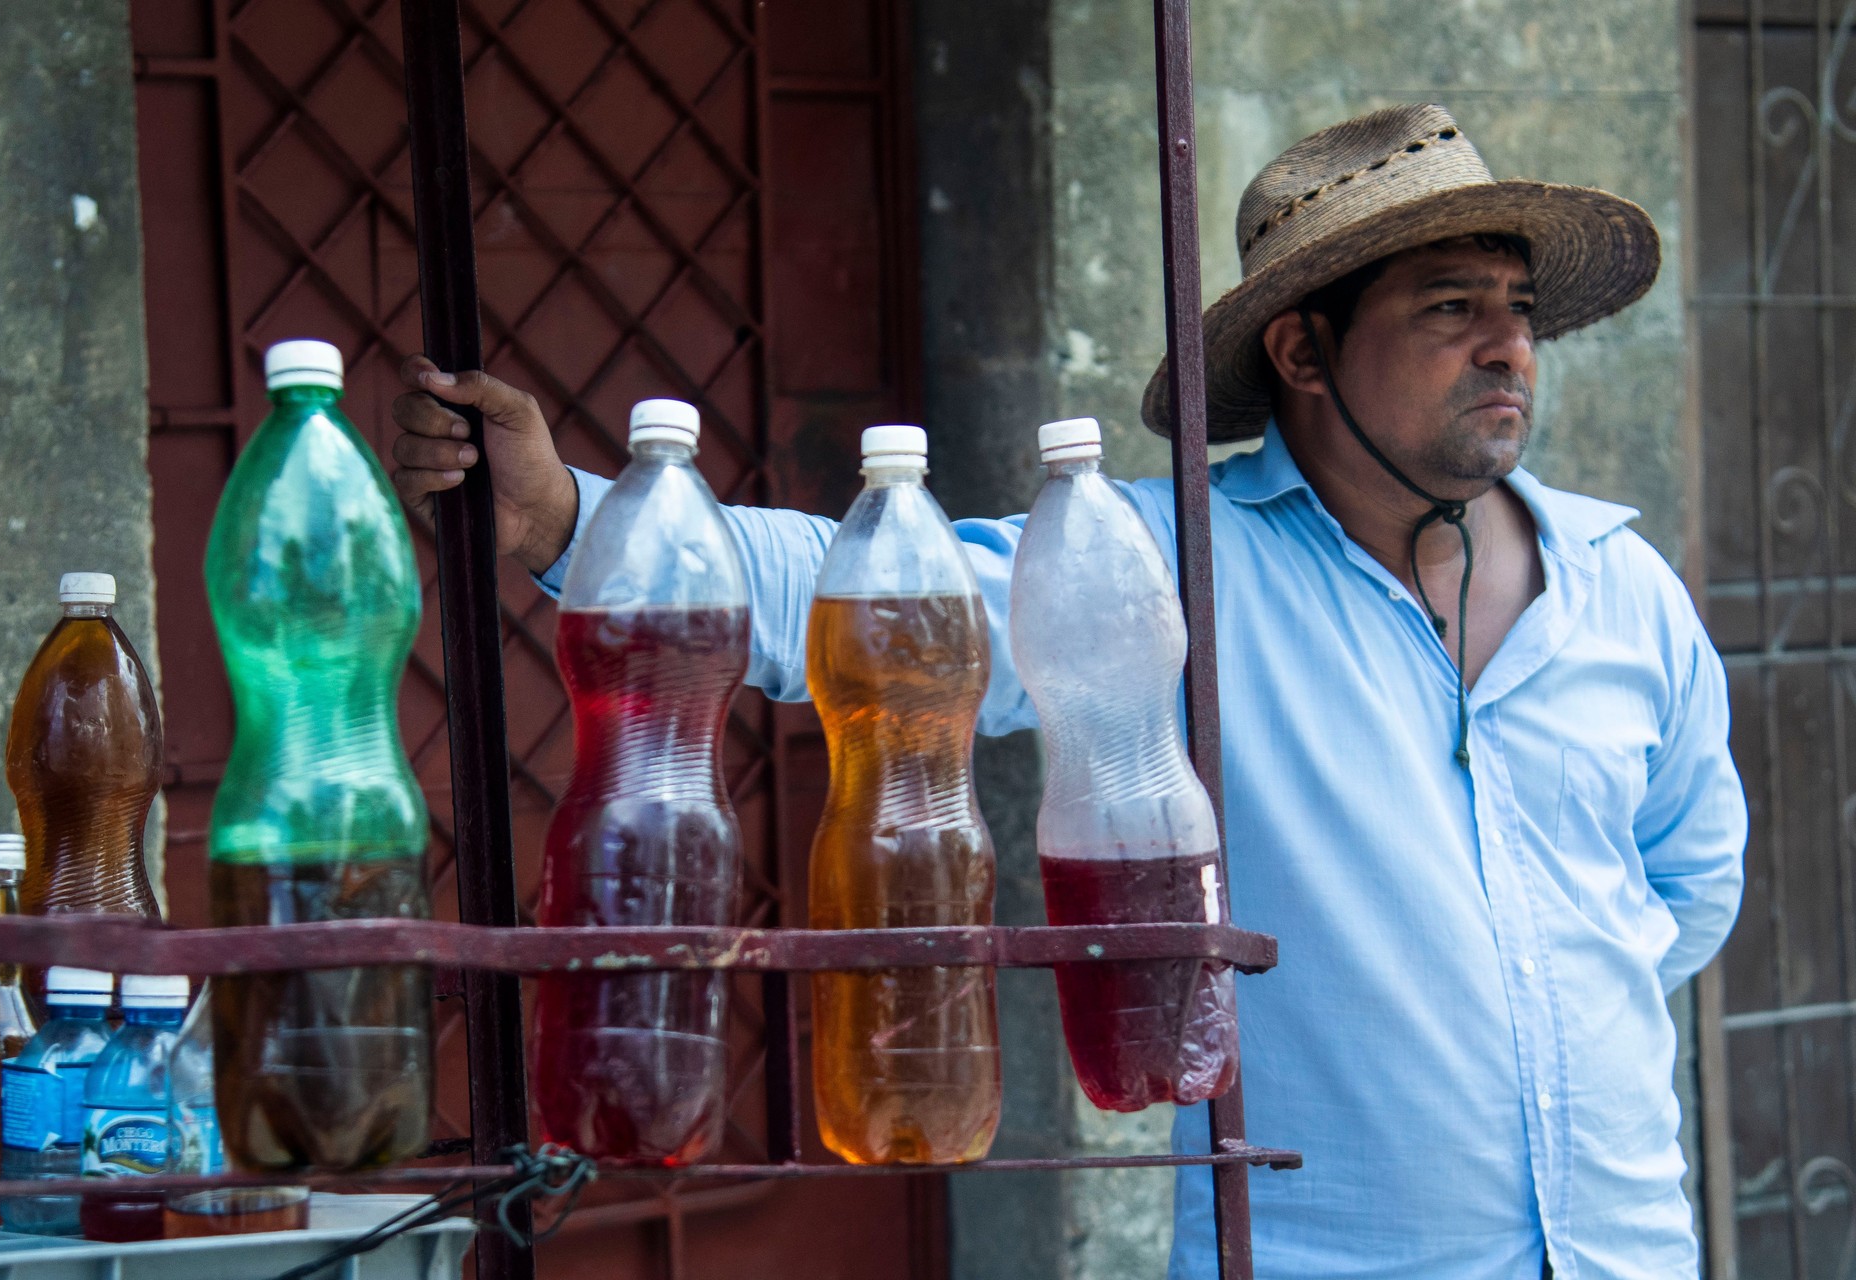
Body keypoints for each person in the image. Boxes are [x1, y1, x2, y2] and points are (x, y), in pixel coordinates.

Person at [390, 103, 1747, 1280]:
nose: (1509, 347)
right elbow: (890, 607)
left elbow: (1685, 896)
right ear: (1302, 352)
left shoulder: (1624, 592)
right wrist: (573, 515)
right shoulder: (1175, 569)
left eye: (1518, 311)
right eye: (1453, 308)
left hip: (1630, 1245)